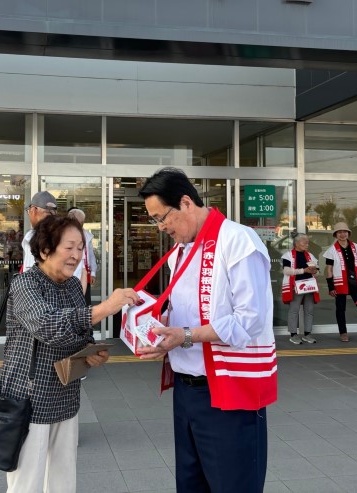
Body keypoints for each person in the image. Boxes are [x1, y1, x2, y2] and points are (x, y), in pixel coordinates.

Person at [136, 167, 276, 493]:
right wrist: (160, 335)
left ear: (185, 202)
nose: (161, 228)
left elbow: (250, 319)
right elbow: (183, 313)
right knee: (190, 484)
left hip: (228, 392)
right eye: (155, 220)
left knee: (233, 483)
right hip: (187, 393)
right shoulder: (180, 251)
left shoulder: (238, 240)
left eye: (162, 217)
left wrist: (185, 336)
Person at [0, 215, 139, 492]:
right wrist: (105, 308)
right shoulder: (25, 284)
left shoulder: (74, 286)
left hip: (65, 394)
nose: (77, 255)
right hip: (28, 396)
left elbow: (81, 335)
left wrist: (93, 354)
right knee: (27, 482)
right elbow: (47, 325)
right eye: (69, 247)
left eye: (81, 248)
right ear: (44, 250)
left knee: (63, 479)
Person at [323, 221, 357, 342]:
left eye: (345, 232)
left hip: (356, 282)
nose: (342, 234)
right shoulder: (332, 250)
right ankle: (343, 332)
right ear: (336, 235)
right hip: (340, 283)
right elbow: (329, 269)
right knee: (340, 309)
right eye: (339, 232)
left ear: (348, 233)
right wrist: (331, 287)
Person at [281, 234, 320, 344]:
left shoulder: (310, 255)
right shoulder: (288, 255)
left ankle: (307, 334)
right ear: (297, 243)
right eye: (304, 242)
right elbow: (287, 271)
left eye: (308, 242)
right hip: (295, 286)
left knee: (309, 310)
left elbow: (317, 269)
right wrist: (304, 270)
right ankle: (293, 335)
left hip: (309, 285)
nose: (307, 244)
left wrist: (315, 271)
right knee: (294, 310)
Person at [66, 207, 97, 305]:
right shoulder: (63, 234)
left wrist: (93, 272)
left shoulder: (86, 235)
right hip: (68, 274)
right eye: (80, 222)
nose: (81, 224)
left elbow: (90, 255)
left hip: (83, 273)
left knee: (85, 302)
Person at [21, 191, 58, 271]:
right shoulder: (62, 234)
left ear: (33, 210)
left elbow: (29, 271)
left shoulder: (34, 236)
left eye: (29, 211)